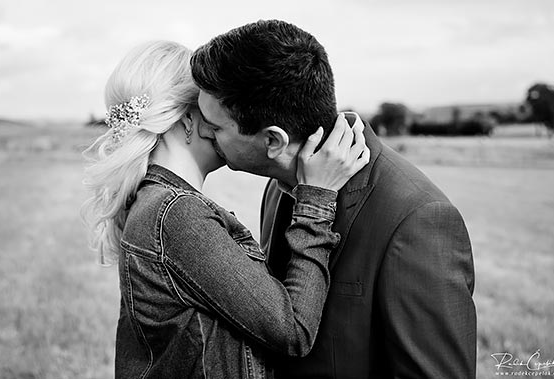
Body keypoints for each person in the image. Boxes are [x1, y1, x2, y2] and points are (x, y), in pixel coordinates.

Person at [191, 20, 476, 378]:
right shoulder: (278, 187)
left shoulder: (418, 219)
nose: (202, 130)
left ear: (273, 141)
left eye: (215, 126)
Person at [83, 40, 369, 378]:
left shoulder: (156, 202)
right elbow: (293, 330)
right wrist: (316, 198)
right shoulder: (176, 215)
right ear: (188, 119)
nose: (229, 120)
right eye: (215, 112)